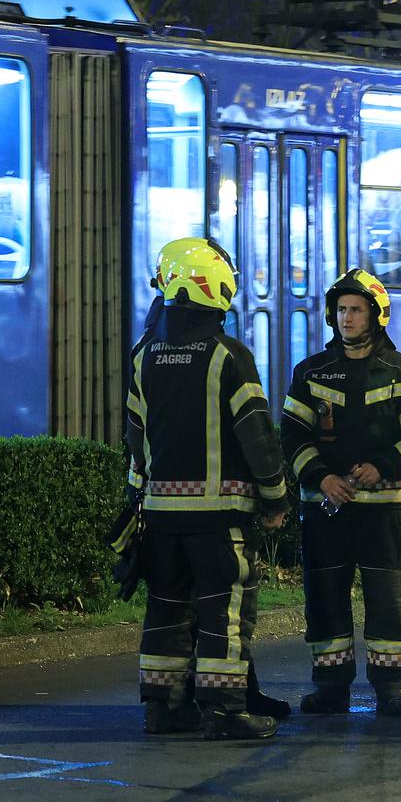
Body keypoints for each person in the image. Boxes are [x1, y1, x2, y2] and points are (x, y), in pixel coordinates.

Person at [126, 237, 290, 740]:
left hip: (159, 515)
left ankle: (163, 708)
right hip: (218, 517)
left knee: (168, 609)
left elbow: (135, 438)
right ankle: (224, 711)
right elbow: (256, 433)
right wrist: (276, 495)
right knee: (226, 610)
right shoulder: (228, 356)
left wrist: (136, 499)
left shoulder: (144, 355)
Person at [282, 268, 401, 717]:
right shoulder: (310, 372)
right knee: (324, 601)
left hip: (386, 511)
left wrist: (383, 466)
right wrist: (321, 479)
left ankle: (391, 688)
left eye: (356, 310)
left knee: (388, 603)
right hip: (327, 508)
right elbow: (291, 436)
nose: (347, 318)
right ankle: (331, 686)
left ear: (376, 316)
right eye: (342, 310)